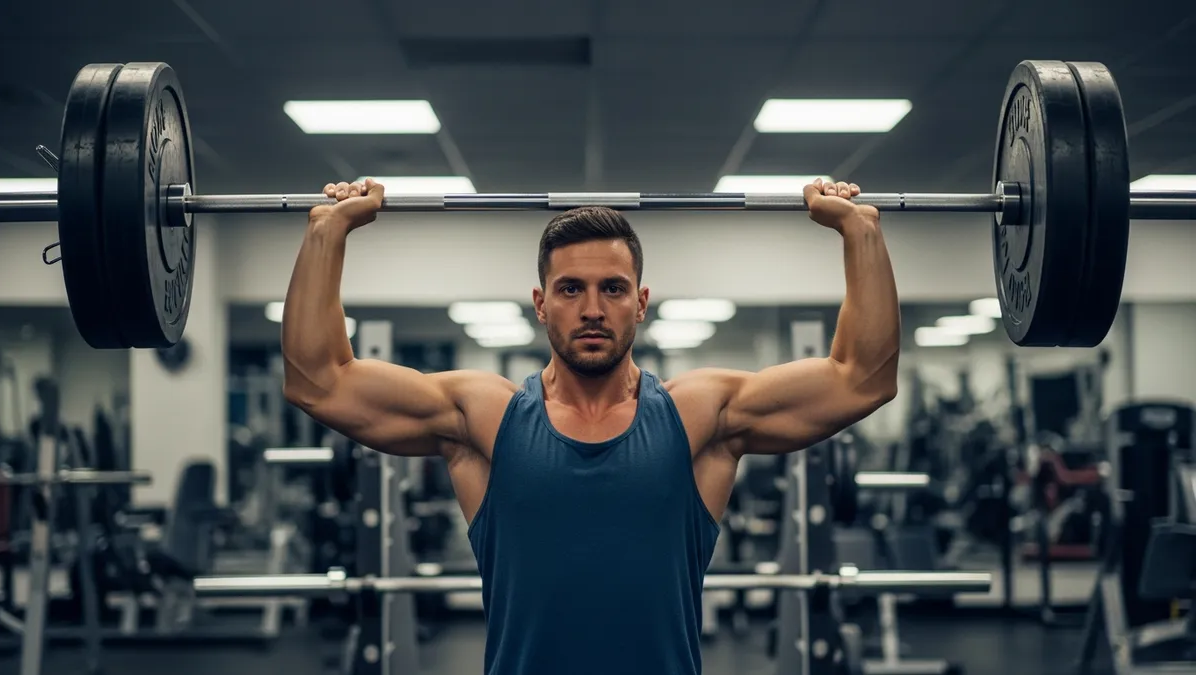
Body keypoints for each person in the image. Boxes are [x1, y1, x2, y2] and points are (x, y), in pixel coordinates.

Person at [281, 178, 900, 675]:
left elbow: (861, 378)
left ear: (641, 301)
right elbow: (319, 381)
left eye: (613, 288)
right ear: (541, 302)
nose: (594, 309)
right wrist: (328, 230)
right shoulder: (485, 416)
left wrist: (859, 231)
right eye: (571, 288)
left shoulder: (699, 414)